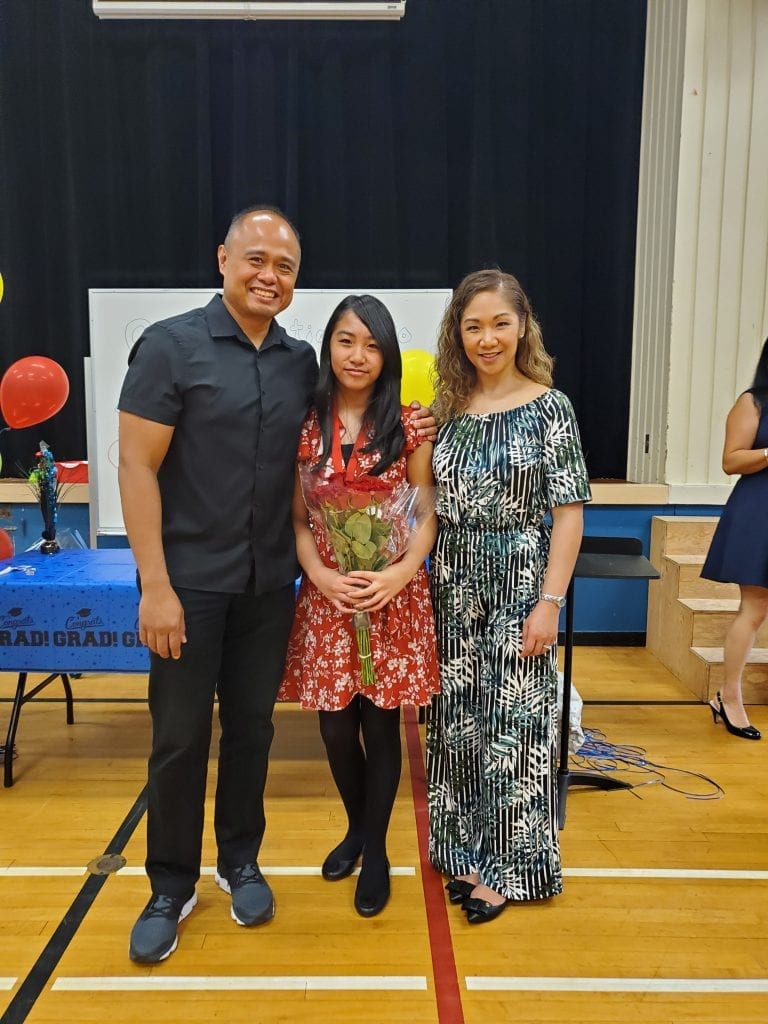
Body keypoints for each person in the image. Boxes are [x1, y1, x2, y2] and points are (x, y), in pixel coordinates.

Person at [117, 207, 435, 963]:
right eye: (255, 258)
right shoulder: (170, 348)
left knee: (253, 731)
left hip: (271, 587)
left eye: (285, 266)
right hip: (189, 584)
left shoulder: (301, 366)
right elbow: (135, 466)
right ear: (223, 257)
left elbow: (351, 467)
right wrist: (154, 586)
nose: (269, 275)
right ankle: (169, 884)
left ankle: (240, 862)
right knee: (180, 737)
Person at [426, 268, 591, 924]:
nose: (486, 338)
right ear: (457, 333)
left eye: (499, 323)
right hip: (451, 584)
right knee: (459, 730)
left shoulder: (551, 406)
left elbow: (570, 515)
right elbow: (427, 505)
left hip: (520, 583)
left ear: (523, 326)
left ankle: (512, 868)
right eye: (473, 326)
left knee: (514, 732)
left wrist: (548, 602)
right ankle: (465, 852)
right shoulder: (448, 410)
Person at [278, 294, 440, 917]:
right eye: (346, 341)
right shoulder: (305, 425)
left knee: (380, 725)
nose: (358, 355)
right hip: (329, 600)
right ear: (329, 348)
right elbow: (299, 520)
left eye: (372, 344)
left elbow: (424, 512)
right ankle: (356, 826)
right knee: (334, 727)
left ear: (387, 355)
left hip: (391, 597)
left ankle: (375, 851)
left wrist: (400, 574)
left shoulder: (408, 424)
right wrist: (318, 572)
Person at [700, 337, 768, 741]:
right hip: (760, 510)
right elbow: (731, 459)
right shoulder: (753, 401)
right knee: (755, 607)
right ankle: (730, 695)